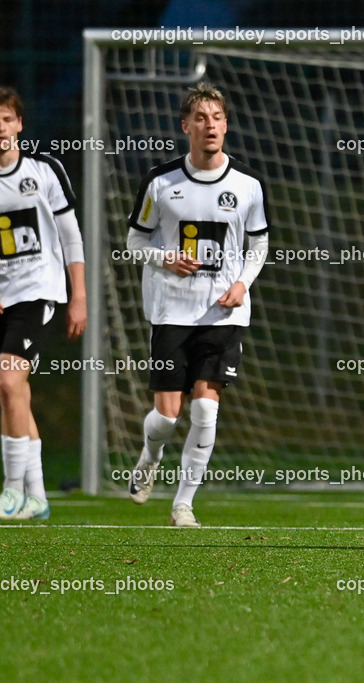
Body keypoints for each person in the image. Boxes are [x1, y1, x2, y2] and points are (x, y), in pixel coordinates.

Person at [125, 83, 269, 527]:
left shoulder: (247, 185)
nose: (210, 126)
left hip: (223, 313)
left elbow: (258, 243)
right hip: (171, 311)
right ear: (186, 126)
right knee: (166, 419)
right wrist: (163, 257)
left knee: (206, 408)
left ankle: (183, 504)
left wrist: (243, 284)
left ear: (226, 125)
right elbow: (134, 241)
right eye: (201, 118)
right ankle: (149, 457)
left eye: (217, 118)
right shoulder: (161, 181)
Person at [0, 86, 87, 521]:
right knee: (14, 393)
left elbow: (70, 236)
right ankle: (39, 497)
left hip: (38, 290)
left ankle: (10, 491)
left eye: (7, 119)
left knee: (9, 384)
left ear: (20, 125)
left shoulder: (46, 171)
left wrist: (78, 295)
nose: (0, 128)